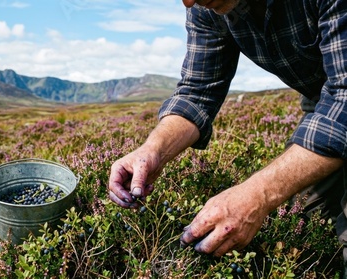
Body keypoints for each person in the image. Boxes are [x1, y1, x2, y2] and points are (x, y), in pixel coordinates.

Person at [107, 0, 347, 274]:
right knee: (309, 222)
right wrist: (153, 150)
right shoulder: (204, 6)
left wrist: (257, 195)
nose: (189, 1)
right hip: (324, 95)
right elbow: (198, 92)